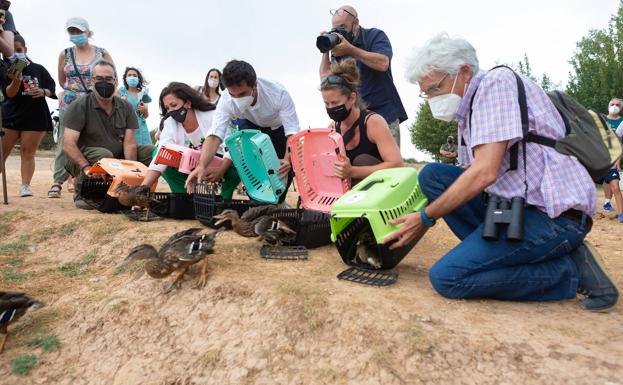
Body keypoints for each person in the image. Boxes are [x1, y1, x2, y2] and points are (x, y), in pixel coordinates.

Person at [383, 33, 619, 312]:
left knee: (448, 277)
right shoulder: (470, 107)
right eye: (426, 93)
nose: (431, 99)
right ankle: (514, 253)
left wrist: (426, 217)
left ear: (464, 72)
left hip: (553, 216)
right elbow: (476, 172)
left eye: (434, 89)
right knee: (433, 176)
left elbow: (484, 173)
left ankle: (569, 272)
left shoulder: (495, 86)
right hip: (517, 207)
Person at [186, 60, 299, 202]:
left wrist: (287, 159)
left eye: (243, 94)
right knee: (250, 162)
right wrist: (201, 166)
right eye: (233, 94)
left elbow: (292, 132)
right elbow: (215, 134)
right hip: (248, 123)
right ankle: (256, 198)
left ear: (255, 85)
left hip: (278, 128)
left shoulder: (278, 93)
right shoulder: (227, 99)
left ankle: (279, 201)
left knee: (283, 166)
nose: (238, 99)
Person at [62, 60, 153, 209]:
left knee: (151, 152)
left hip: (115, 158)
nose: (104, 83)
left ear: (116, 81)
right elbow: (68, 144)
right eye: (99, 79)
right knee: (104, 156)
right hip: (85, 158)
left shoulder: (126, 107)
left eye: (109, 79)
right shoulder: (79, 105)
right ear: (92, 80)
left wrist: (131, 171)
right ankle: (82, 191)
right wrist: (85, 167)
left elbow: (129, 143)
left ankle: (132, 192)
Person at [319, 5, 406, 148]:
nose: (339, 33)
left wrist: (351, 50)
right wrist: (325, 51)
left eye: (343, 27)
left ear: (356, 23)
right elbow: (325, 80)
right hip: (355, 118)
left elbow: (383, 63)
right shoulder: (338, 49)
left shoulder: (375, 36)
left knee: (390, 166)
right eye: (335, 29)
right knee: (359, 163)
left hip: (384, 113)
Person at [48, 17, 114, 199]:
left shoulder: (102, 53)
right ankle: (57, 181)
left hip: (95, 102)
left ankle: (86, 180)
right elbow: (62, 80)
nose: (75, 34)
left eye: (78, 31)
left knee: (93, 140)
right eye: (72, 31)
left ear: (87, 32)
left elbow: (111, 76)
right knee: (65, 140)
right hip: (70, 103)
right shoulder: (65, 54)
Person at [139, 82, 238, 196]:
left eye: (174, 105)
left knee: (236, 164)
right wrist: (143, 188)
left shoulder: (212, 116)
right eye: (167, 108)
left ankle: (225, 198)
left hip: (220, 164)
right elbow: (161, 156)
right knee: (159, 152)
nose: (171, 110)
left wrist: (221, 171)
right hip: (191, 167)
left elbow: (231, 147)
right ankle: (183, 195)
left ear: (188, 103)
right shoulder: (170, 123)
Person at [320, 58, 402, 183]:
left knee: (362, 160)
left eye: (335, 102)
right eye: (327, 104)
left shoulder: (373, 122)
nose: (331, 108)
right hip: (350, 193)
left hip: (383, 187)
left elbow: (397, 164)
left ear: (352, 98)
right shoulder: (331, 129)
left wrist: (352, 171)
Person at [0, 35, 56, 197]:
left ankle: (25, 186)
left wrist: (43, 91)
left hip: (35, 117)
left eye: (19, 50)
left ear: (25, 50)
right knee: (2, 152)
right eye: (13, 51)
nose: (17, 54)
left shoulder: (39, 69)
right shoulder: (4, 69)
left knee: (28, 151)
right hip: (11, 116)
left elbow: (52, 90)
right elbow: (9, 94)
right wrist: (16, 80)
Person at [118, 67, 152, 145]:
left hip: (142, 130)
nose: (132, 77)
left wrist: (145, 111)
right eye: (129, 75)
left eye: (134, 75)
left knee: (147, 152)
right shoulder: (121, 92)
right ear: (125, 78)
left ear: (138, 79)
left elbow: (146, 116)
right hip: (127, 128)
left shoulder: (143, 94)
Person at [602, 98, 623, 212]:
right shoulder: (601, 119)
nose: (614, 106)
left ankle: (607, 203)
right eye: (612, 104)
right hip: (598, 155)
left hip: (614, 155)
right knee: (605, 179)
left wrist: (618, 161)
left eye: (617, 105)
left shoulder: (622, 122)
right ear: (608, 106)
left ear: (621, 108)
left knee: (611, 179)